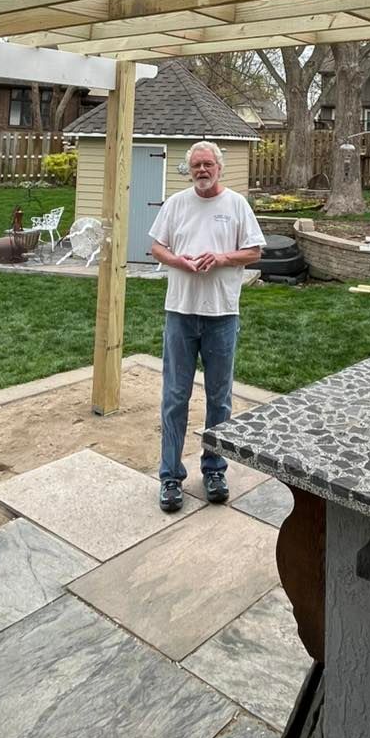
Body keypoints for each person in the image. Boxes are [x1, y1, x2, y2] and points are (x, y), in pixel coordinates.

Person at [149, 141, 264, 512]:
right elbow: (157, 247)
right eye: (196, 165)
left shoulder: (236, 205)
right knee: (175, 397)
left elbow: (255, 251)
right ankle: (170, 477)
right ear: (190, 169)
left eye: (208, 164)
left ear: (219, 167)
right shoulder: (176, 204)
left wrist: (221, 257)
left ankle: (214, 469)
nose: (202, 170)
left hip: (222, 315)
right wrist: (178, 262)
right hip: (180, 312)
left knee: (219, 398)